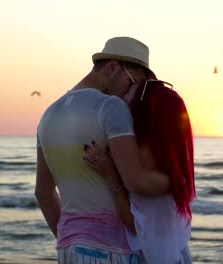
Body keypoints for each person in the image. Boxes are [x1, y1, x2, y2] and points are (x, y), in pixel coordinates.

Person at [35, 36, 170, 263]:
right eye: (132, 82)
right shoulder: (110, 107)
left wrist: (72, 238)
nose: (133, 93)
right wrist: (177, 181)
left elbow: (43, 192)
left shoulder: (48, 114)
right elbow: (135, 181)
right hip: (113, 250)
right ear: (112, 68)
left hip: (69, 249)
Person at [83, 78, 196, 263]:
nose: (127, 88)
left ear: (145, 106)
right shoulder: (163, 152)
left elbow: (137, 227)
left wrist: (111, 176)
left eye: (133, 89)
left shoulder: (146, 156)